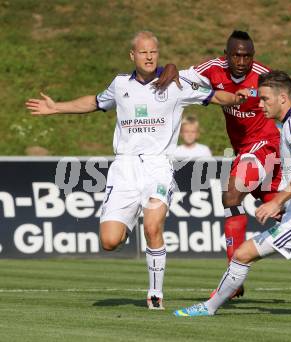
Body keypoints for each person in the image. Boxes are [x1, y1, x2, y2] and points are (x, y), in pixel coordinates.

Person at [25, 30, 248, 310]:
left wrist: (236, 99)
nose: (149, 56)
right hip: (124, 168)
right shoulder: (120, 85)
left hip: (157, 167)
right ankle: (126, 226)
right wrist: (56, 108)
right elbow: (95, 102)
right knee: (109, 241)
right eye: (143, 52)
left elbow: (214, 96)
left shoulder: (174, 85)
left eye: (153, 52)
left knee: (153, 227)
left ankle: (155, 294)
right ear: (133, 55)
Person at [159, 31, 291, 286]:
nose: (243, 61)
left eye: (247, 56)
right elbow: (179, 75)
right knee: (283, 212)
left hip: (265, 144)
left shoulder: (263, 75)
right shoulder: (213, 69)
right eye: (237, 55)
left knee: (232, 195)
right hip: (243, 147)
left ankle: (233, 272)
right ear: (227, 55)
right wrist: (170, 66)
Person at [174, 71, 291, 317]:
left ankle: (208, 308)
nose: (259, 104)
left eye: (264, 99)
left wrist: (277, 202)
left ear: (282, 98)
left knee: (242, 254)